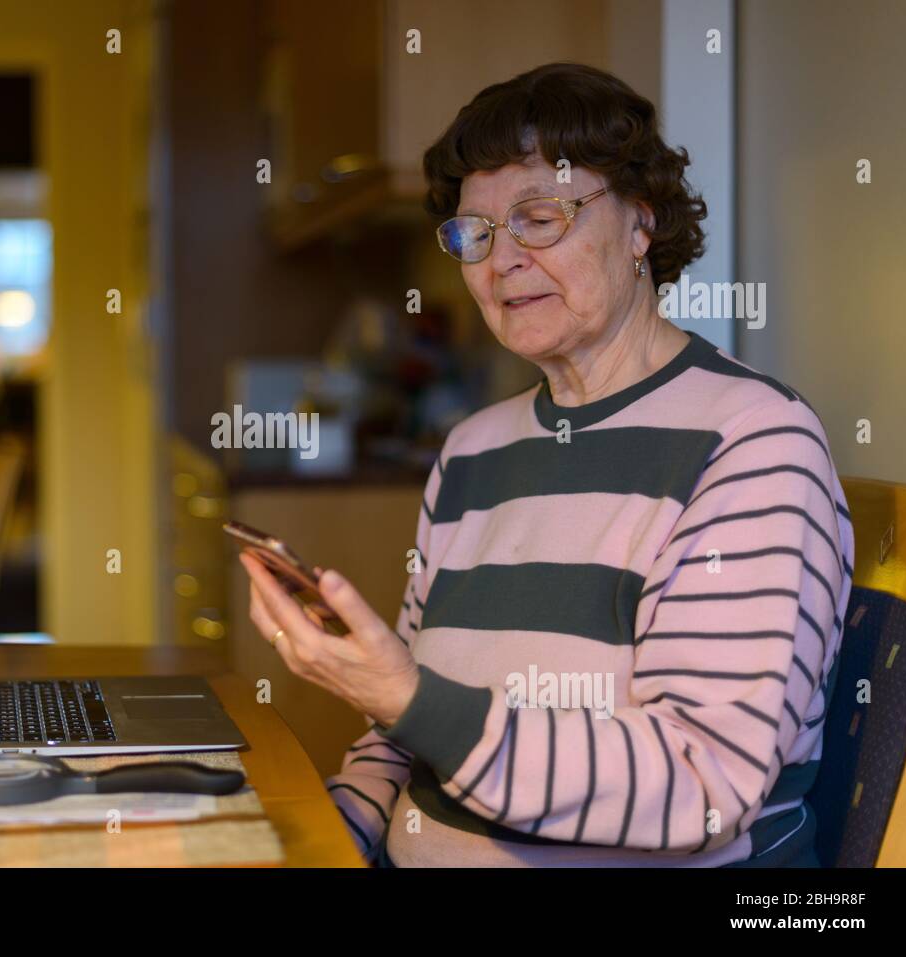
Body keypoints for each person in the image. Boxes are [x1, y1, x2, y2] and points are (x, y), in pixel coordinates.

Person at [240, 62, 854, 866]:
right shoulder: (472, 450)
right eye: (476, 233)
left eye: (540, 216)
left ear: (641, 222)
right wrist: (327, 839)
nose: (502, 262)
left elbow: (703, 787)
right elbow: (405, 746)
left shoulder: (754, 444)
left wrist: (407, 698)